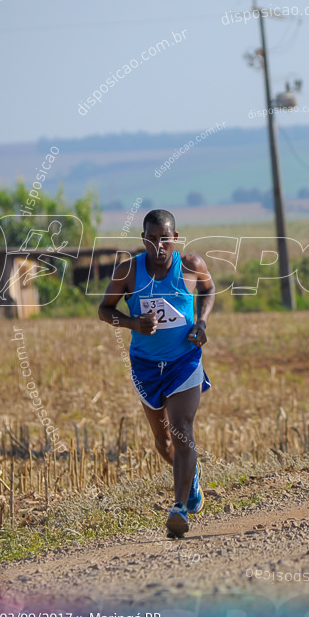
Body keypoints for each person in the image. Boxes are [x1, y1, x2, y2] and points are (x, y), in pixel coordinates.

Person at [98, 209, 215, 537]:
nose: (158, 245)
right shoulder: (128, 271)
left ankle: (178, 508)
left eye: (164, 239)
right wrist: (133, 323)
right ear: (144, 239)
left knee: (181, 429)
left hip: (184, 361)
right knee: (163, 442)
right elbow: (104, 311)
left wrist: (202, 323)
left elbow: (209, 290)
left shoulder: (191, 265)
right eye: (151, 238)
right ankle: (191, 479)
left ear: (175, 239)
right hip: (146, 366)